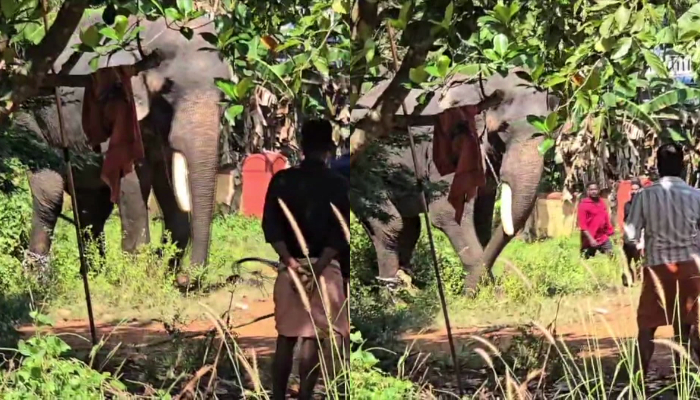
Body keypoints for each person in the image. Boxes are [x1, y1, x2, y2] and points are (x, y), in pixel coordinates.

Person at [262, 119, 350, 400]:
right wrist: (319, 267)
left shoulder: (282, 180)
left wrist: (290, 262)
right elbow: (340, 234)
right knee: (312, 336)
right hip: (326, 270)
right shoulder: (338, 184)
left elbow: (271, 227)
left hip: (291, 268)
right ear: (329, 148)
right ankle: (305, 396)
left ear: (301, 144)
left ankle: (277, 395)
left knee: (286, 338)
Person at [624, 143, 700, 379]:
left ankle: (639, 381)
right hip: (690, 267)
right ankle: (684, 381)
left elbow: (630, 238)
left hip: (657, 268)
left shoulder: (645, 195)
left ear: (657, 166)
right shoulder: (696, 196)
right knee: (686, 327)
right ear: (683, 166)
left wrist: (632, 266)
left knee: (647, 327)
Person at [578, 182, 615, 258]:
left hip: (602, 237)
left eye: (595, 189)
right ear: (588, 191)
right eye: (591, 190)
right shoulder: (583, 205)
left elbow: (605, 219)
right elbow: (583, 226)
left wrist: (611, 233)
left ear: (598, 190)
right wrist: (591, 239)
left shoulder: (601, 202)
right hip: (589, 238)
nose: (593, 191)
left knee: (612, 257)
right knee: (586, 259)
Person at [621, 178, 644, 286]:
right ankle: (631, 280)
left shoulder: (645, 205)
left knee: (638, 260)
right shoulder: (627, 205)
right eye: (632, 189)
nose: (634, 191)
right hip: (628, 237)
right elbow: (625, 220)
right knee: (627, 259)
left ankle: (639, 280)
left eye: (636, 189)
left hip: (640, 236)